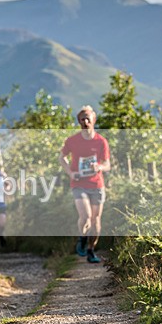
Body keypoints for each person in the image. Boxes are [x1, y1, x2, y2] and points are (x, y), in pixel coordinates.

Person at [59, 105, 110, 264]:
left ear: (94, 119)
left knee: (95, 220)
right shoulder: (72, 140)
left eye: (88, 118)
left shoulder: (101, 141)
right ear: (79, 122)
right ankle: (82, 238)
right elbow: (61, 157)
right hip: (78, 184)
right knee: (86, 215)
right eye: (82, 119)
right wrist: (70, 172)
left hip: (96, 184)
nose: (85, 121)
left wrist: (99, 167)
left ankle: (91, 250)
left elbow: (107, 164)